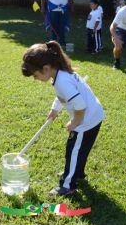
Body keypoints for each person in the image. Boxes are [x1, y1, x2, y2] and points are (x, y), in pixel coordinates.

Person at [21, 41, 105, 196]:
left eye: (36, 75)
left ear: (45, 68)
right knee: (80, 150)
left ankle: (67, 185)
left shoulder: (62, 81)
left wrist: (75, 122)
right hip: (95, 115)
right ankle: (76, 174)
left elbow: (80, 106)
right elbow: (63, 97)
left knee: (73, 151)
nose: (36, 79)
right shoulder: (61, 73)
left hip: (86, 120)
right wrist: (54, 110)